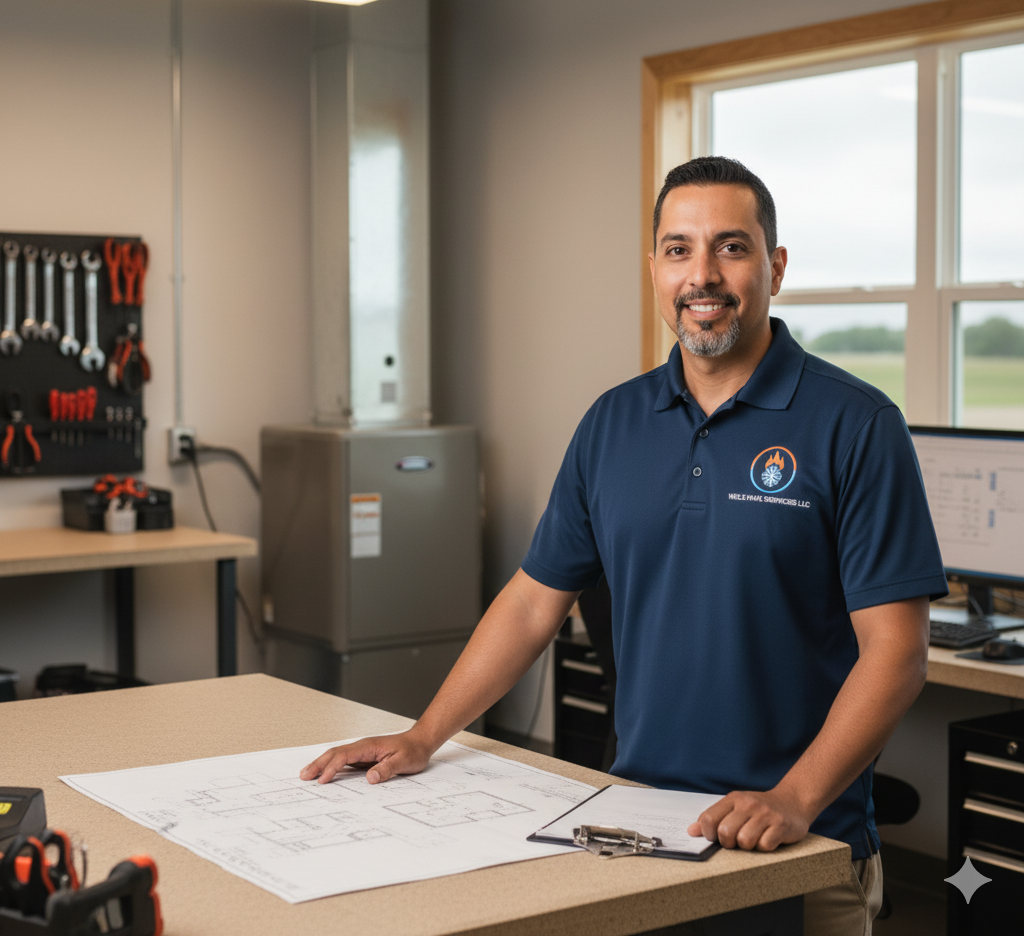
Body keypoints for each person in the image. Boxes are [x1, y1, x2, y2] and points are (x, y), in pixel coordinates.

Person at [300, 156, 946, 936]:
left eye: (731, 248)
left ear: (775, 266)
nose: (702, 274)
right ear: (654, 269)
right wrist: (423, 735)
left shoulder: (856, 424)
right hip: (636, 830)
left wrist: (796, 797)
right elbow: (534, 603)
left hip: (798, 845)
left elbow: (897, 653)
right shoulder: (611, 424)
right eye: (679, 250)